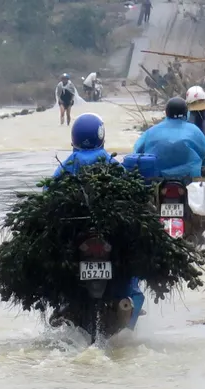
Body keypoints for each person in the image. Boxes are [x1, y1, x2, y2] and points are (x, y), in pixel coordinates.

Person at [52, 113, 146, 326]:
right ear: (101, 136)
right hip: (111, 231)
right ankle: (128, 317)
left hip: (76, 233)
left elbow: (49, 196)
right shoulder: (112, 164)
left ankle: (63, 302)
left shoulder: (66, 166)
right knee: (131, 269)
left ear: (73, 138)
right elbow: (131, 196)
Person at [134, 97, 205, 178]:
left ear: (166, 112)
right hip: (188, 178)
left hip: (157, 178)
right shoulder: (194, 130)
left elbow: (137, 152)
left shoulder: (152, 131)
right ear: (186, 113)